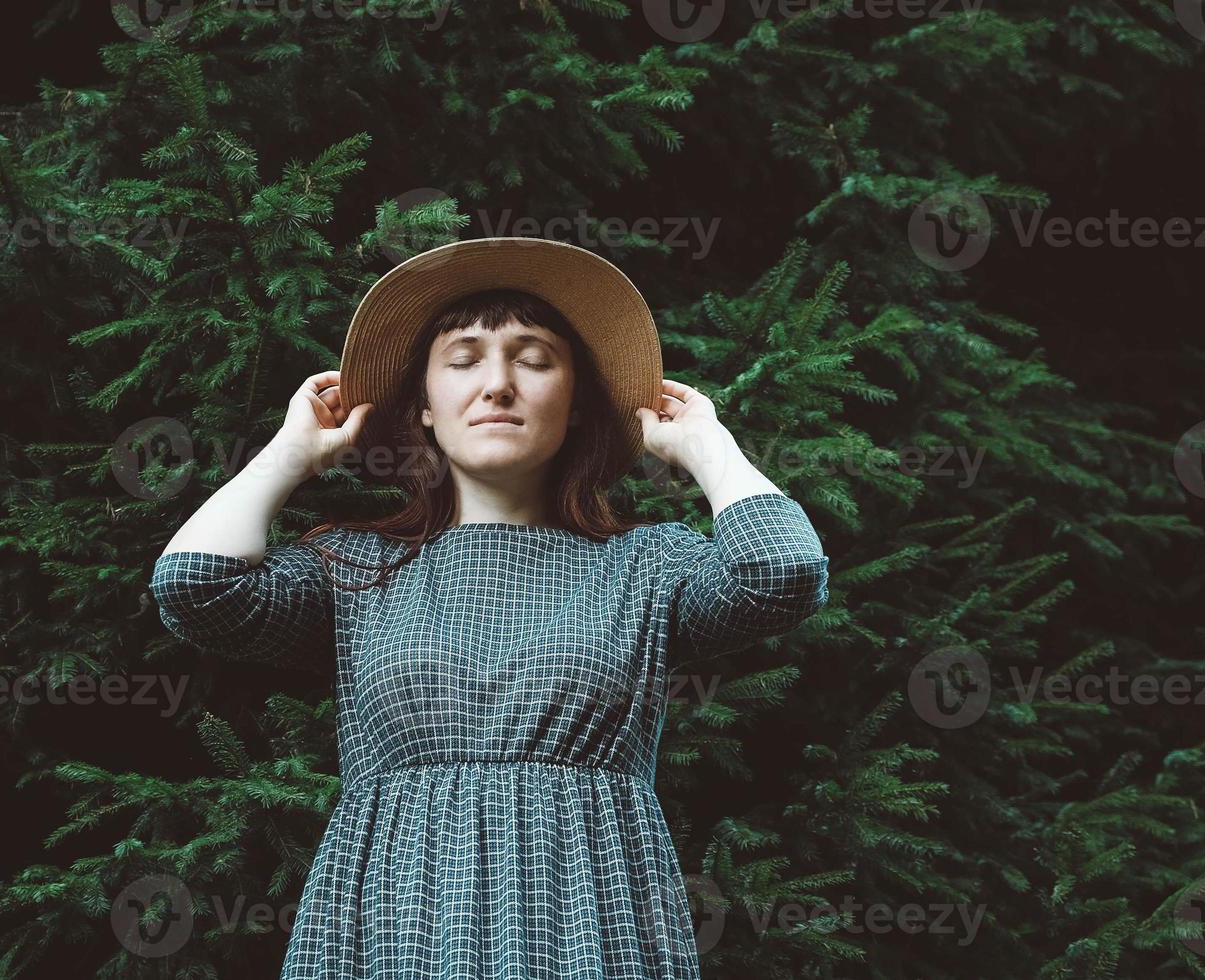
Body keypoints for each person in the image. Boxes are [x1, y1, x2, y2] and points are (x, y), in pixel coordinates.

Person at [149, 239, 830, 978]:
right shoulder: (355, 570)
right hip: (394, 923)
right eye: (464, 359)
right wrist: (290, 451)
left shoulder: (646, 566)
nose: (498, 384)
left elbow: (784, 572)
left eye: (534, 359)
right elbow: (194, 587)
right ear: (426, 410)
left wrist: (706, 444)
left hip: (593, 921)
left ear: (574, 407)